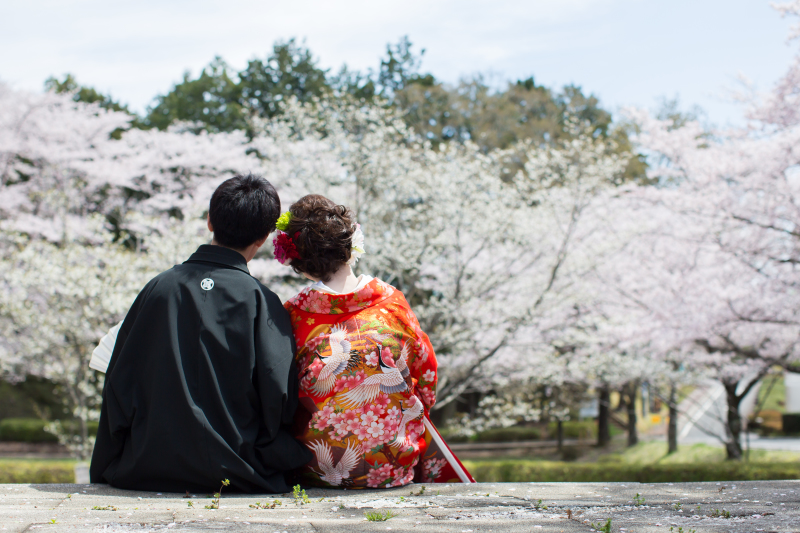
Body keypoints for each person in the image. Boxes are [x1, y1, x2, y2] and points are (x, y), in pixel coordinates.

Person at [90, 174, 313, 493]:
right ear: (264, 237)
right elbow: (279, 397)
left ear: (209, 221)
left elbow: (120, 383)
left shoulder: (158, 290)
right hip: (238, 470)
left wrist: (107, 460)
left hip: (146, 466)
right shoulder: (261, 301)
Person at [276, 194, 474, 488]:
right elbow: (426, 376)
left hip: (315, 471)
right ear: (352, 247)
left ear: (301, 265)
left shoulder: (293, 316)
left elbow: (280, 394)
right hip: (393, 469)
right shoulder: (393, 305)